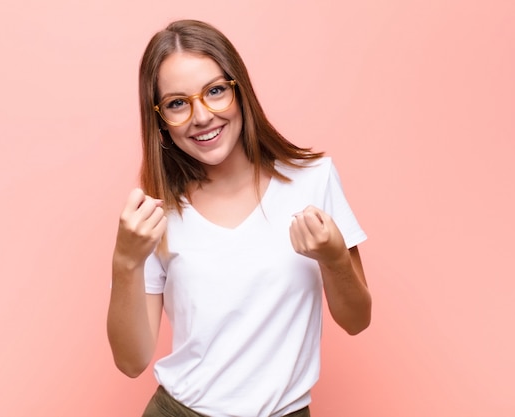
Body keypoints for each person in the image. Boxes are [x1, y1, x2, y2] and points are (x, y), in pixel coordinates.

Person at [107, 19, 372, 417]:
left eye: (215, 91)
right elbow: (131, 363)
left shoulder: (312, 180)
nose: (201, 116)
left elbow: (356, 320)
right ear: (160, 119)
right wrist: (125, 263)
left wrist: (333, 257)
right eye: (178, 103)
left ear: (240, 91)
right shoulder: (158, 214)